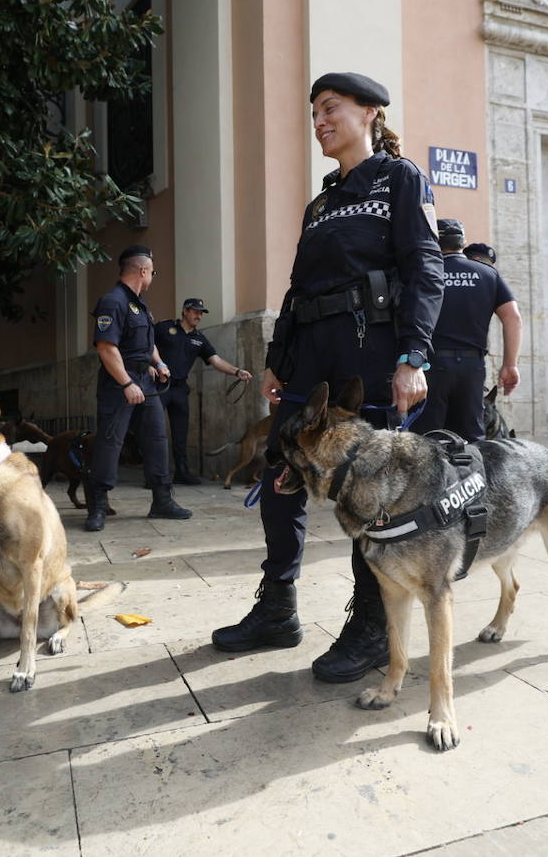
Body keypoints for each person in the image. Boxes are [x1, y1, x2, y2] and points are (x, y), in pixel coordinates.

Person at [211, 71, 444, 684]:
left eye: (330, 108)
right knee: (282, 472)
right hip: (309, 353)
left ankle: (370, 624)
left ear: (369, 112)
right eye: (314, 111)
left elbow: (425, 269)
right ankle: (277, 608)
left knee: (369, 489)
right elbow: (296, 287)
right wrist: (276, 358)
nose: (318, 121)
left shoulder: (400, 178)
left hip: (369, 349)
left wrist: (414, 357)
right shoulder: (320, 202)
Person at [85, 245, 192, 531]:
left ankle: (162, 500)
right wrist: (127, 383)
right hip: (119, 383)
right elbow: (106, 348)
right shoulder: (112, 301)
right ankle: (97, 507)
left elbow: (147, 344)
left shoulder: (140, 304)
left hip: (145, 380)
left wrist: (159, 364)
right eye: (153, 272)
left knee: (157, 439)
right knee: (110, 443)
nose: (152, 277)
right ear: (143, 271)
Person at [409, 222, 521, 440]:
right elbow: (513, 317)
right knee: (471, 439)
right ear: (463, 243)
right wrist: (510, 365)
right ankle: (471, 475)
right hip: (472, 368)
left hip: (432, 366)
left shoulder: (426, 271)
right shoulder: (488, 274)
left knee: (429, 439)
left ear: (434, 241)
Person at [154, 298, 254, 484]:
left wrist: (237, 372)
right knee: (154, 430)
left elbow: (216, 361)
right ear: (185, 311)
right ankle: (153, 475)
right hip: (159, 386)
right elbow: (146, 345)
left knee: (180, 432)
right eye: (195, 311)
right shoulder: (164, 328)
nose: (199, 315)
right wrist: (151, 366)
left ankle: (181, 472)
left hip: (180, 389)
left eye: (201, 312)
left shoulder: (199, 339)